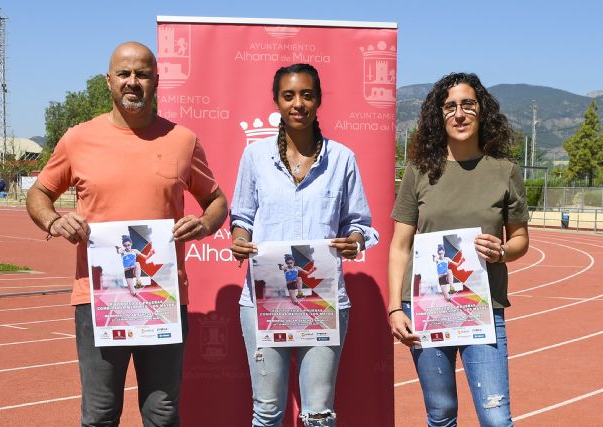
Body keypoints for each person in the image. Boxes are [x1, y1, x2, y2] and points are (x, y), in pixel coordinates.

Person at [26, 41, 227, 427]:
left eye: (142, 74)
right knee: (100, 414)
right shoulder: (78, 139)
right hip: (98, 298)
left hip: (163, 297)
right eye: (124, 74)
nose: (132, 82)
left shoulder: (183, 140)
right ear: (109, 81)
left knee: (162, 414)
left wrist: (203, 225)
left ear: (156, 81)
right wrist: (53, 221)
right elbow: (39, 194)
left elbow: (216, 201)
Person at [230, 63, 379, 427]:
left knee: (318, 414)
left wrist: (355, 240)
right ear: (277, 102)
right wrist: (239, 239)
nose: (298, 103)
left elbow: (359, 223)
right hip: (264, 298)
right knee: (267, 411)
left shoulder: (342, 159)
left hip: (322, 298)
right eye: (289, 95)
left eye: (307, 95)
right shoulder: (255, 157)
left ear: (318, 100)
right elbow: (242, 217)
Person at [388, 72, 529, 426]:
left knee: (496, 419)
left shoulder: (505, 171)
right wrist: (395, 308)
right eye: (450, 107)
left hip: (483, 308)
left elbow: (520, 240)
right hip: (425, 306)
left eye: (468, 104)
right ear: (439, 115)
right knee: (441, 415)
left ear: (482, 111)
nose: (460, 114)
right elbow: (400, 246)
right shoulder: (419, 170)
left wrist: (502, 252)